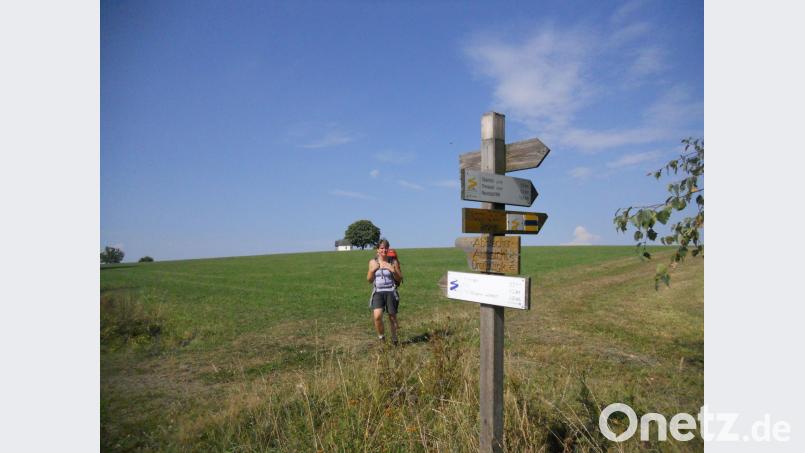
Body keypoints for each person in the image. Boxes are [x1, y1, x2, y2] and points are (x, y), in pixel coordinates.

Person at [367, 239, 403, 344]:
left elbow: (400, 279)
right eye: (382, 248)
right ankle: (381, 338)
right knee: (377, 316)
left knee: (392, 317)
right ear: (377, 250)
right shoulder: (373, 262)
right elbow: (369, 280)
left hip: (391, 291)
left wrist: (393, 270)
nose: (384, 250)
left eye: (386, 248)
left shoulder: (393, 261)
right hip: (378, 291)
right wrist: (372, 270)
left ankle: (395, 339)